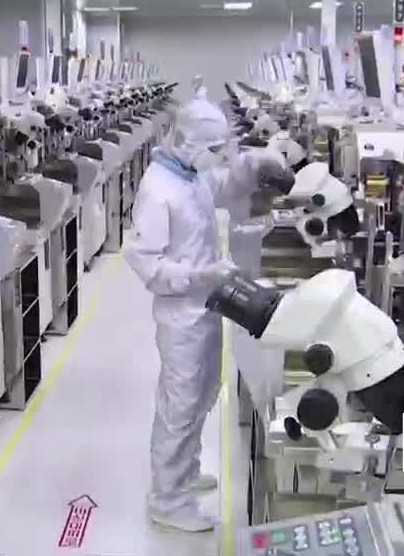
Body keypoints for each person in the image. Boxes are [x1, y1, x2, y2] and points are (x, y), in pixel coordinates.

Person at [124, 95, 290, 532]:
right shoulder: (158, 190)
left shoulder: (189, 174)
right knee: (180, 405)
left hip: (204, 305)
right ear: (187, 141)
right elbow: (146, 264)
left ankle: (186, 470)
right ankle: (168, 498)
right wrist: (201, 274)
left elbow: (222, 186)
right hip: (181, 314)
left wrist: (256, 163)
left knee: (202, 394)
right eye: (213, 148)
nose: (218, 155)